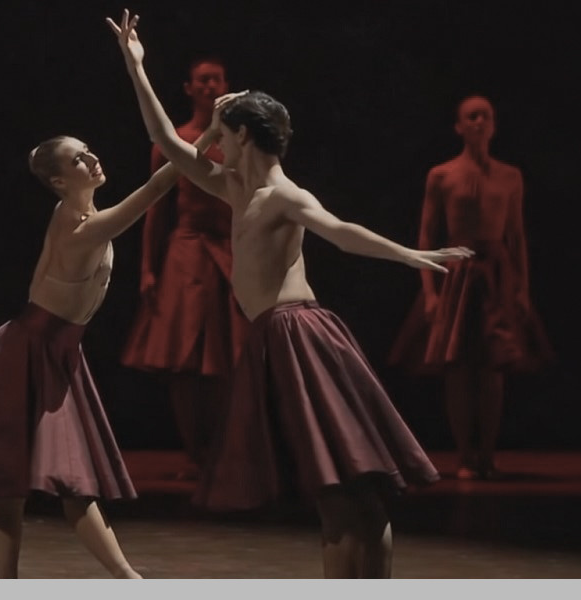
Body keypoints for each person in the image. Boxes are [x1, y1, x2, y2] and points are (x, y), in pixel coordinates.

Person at [108, 10, 472, 577]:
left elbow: (341, 231)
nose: (213, 141)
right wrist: (137, 68)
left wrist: (408, 254)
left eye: (223, 132)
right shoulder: (236, 187)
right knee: (330, 495)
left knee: (350, 488)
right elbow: (165, 142)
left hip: (300, 333)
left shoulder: (283, 194)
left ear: (244, 136)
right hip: (271, 337)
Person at [0, 127, 218, 578]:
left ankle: (116, 579)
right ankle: (124, 580)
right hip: (29, 352)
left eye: (89, 151)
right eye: (78, 159)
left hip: (58, 352)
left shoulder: (80, 212)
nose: (91, 160)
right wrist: (208, 135)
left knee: (56, 481)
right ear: (58, 182)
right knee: (27, 482)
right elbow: (157, 188)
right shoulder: (81, 228)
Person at [388, 95, 554, 480]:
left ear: (493, 125)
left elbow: (516, 236)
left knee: (494, 366)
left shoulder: (510, 176)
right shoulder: (441, 175)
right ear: (459, 126)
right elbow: (426, 234)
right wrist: (430, 292)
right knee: (459, 367)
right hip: (457, 272)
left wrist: (522, 288)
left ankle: (487, 455)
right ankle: (465, 455)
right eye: (472, 116)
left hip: (496, 273)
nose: (480, 121)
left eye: (486, 116)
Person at [120, 55, 247, 476]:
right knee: (184, 359)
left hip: (229, 252)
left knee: (230, 357)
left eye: (217, 79)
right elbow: (155, 210)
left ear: (226, 86)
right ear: (189, 88)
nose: (210, 86)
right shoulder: (172, 141)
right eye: (202, 80)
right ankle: (195, 452)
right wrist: (147, 269)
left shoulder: (240, 142)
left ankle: (227, 451)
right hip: (187, 253)